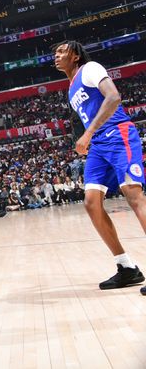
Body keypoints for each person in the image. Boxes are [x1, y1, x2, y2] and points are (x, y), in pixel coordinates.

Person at [53, 41, 146, 292]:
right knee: (91, 203)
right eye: (55, 53)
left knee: (134, 196)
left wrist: (88, 133)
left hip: (118, 134)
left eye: (61, 52)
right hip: (98, 146)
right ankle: (126, 267)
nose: (56, 56)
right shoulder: (70, 88)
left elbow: (114, 97)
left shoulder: (90, 68)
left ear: (75, 56)